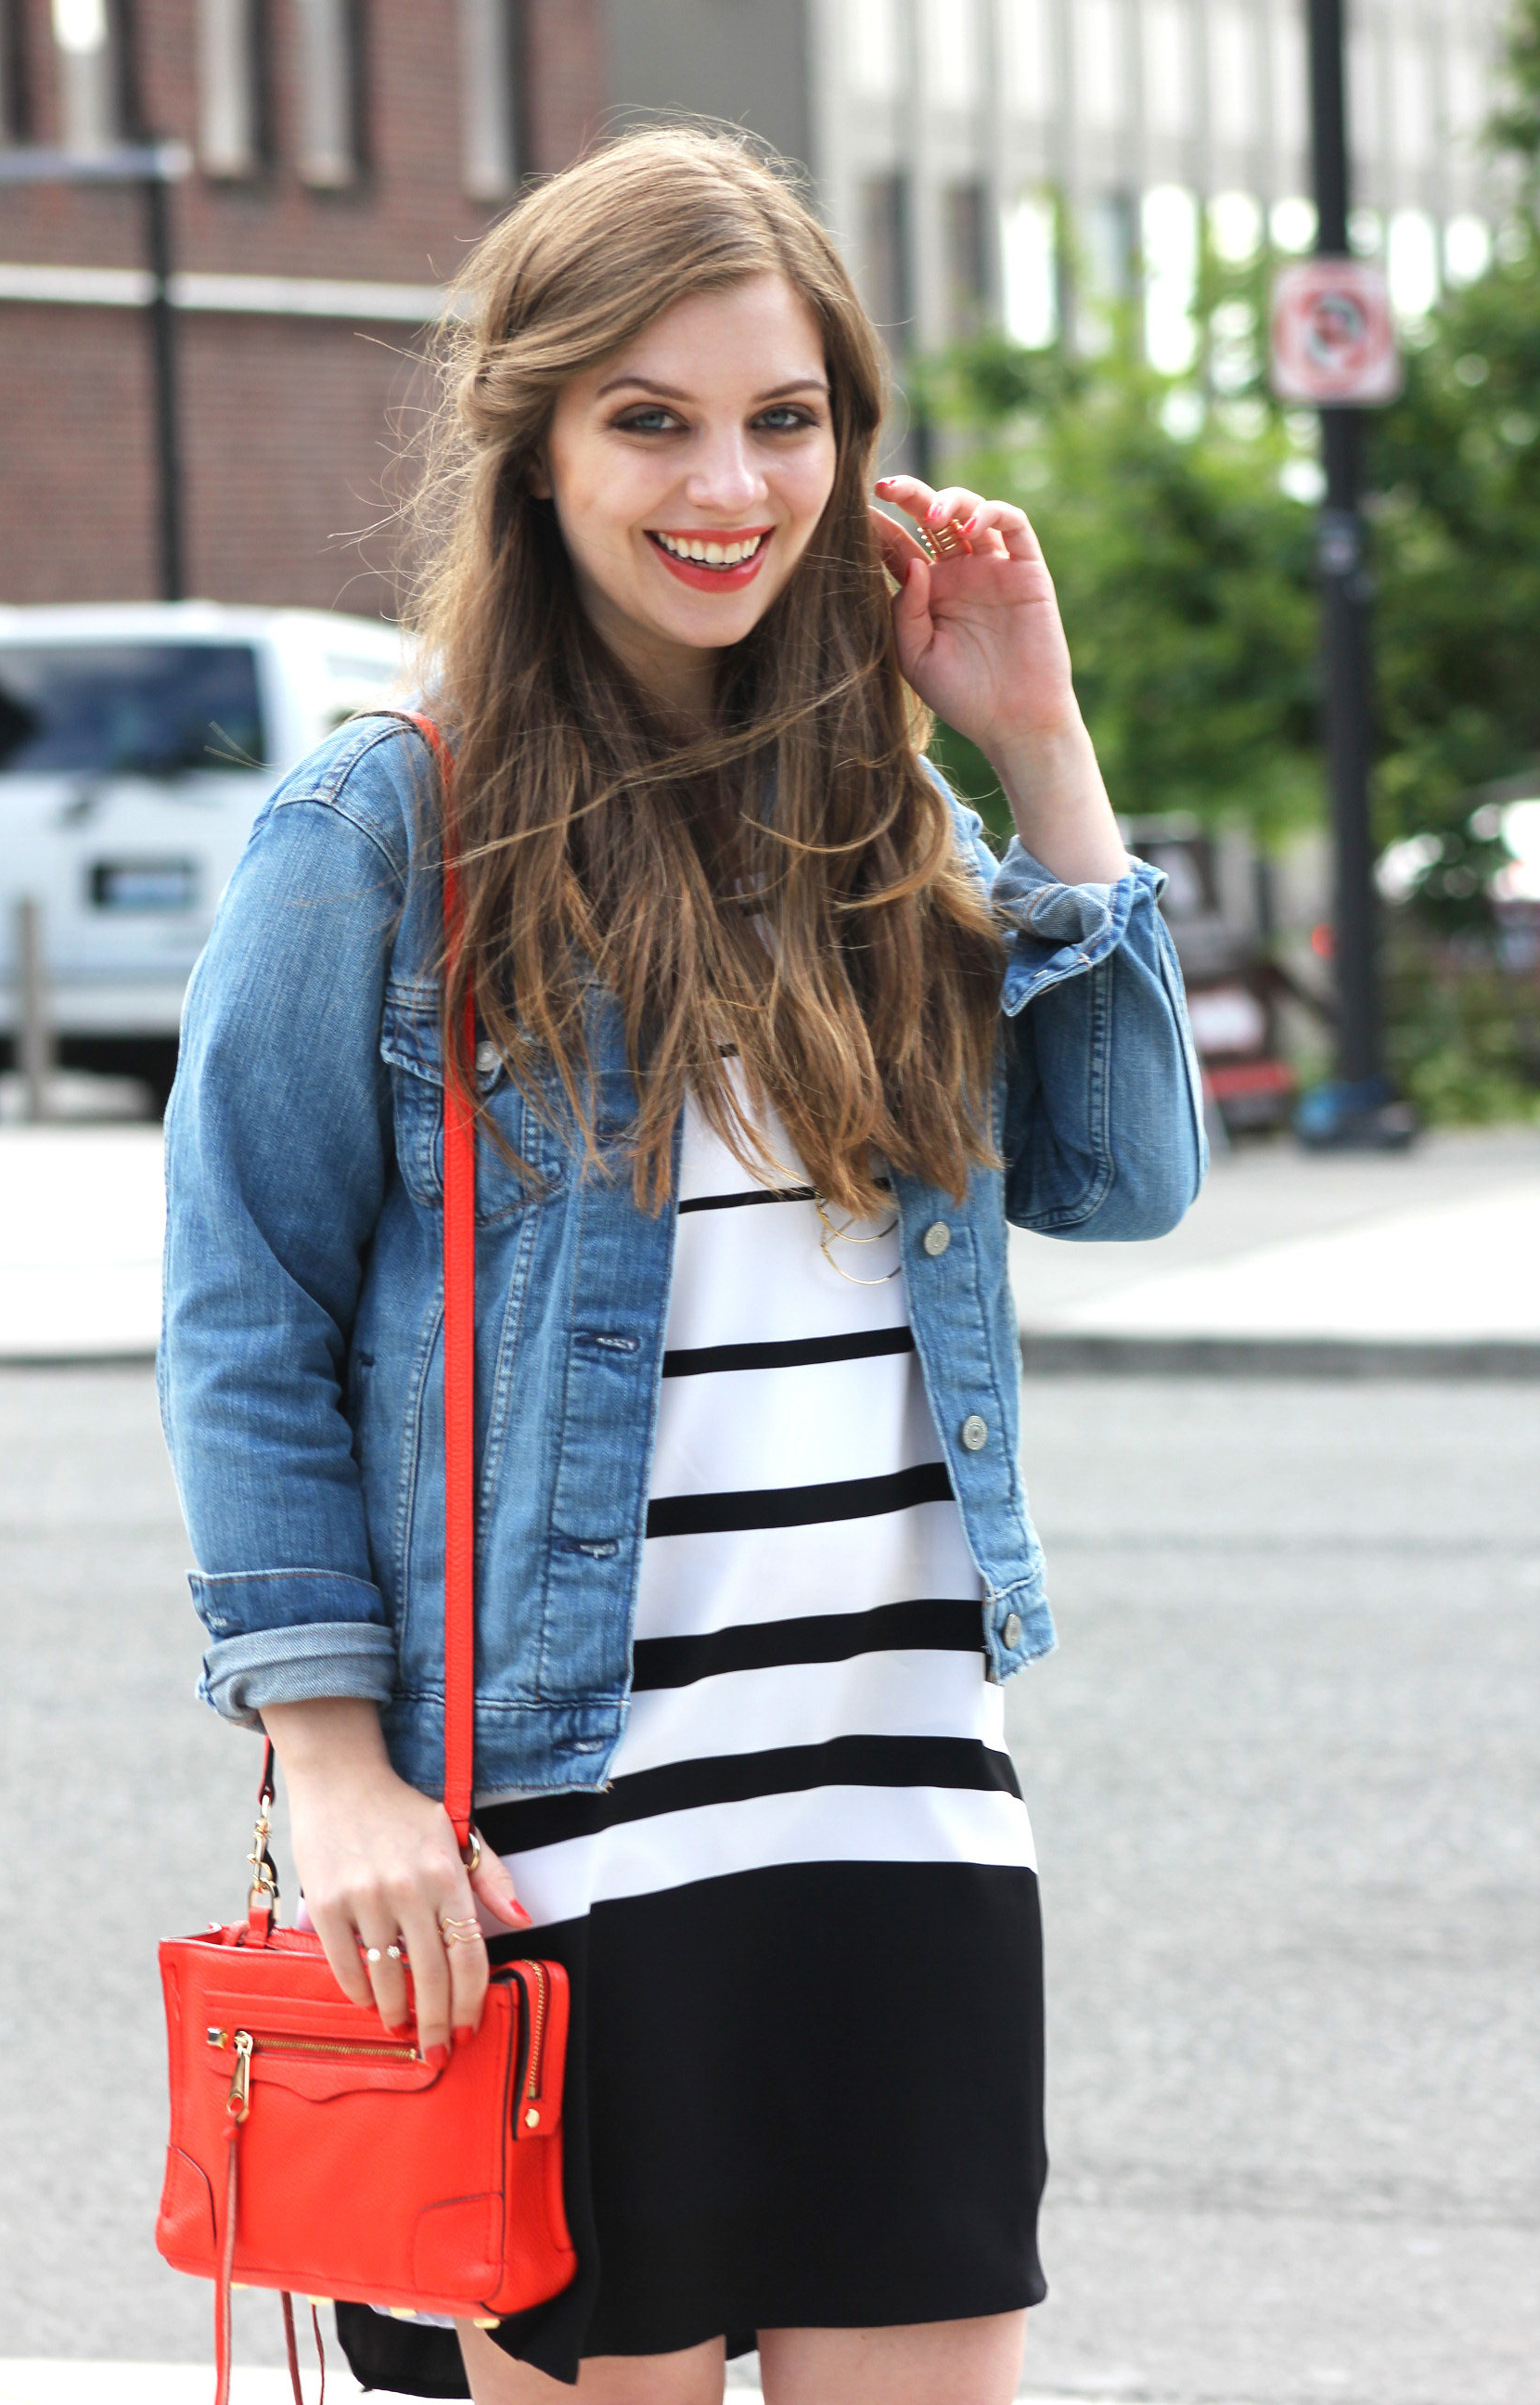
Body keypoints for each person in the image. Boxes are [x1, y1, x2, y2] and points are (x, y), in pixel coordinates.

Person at [160, 126, 1204, 2405]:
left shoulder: (880, 818)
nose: (727, 483)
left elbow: (1121, 1179)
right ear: (531, 448)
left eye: (785, 418)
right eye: (651, 419)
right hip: (551, 1845)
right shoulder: (386, 831)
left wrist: (1038, 742)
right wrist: (335, 1779)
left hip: (903, 1799)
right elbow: (245, 1321)